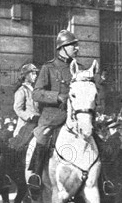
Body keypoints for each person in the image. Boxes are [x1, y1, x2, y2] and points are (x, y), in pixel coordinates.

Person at [27, 30, 81, 191]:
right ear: (63, 48)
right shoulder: (48, 68)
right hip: (53, 117)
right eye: (73, 45)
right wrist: (57, 96)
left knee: (96, 140)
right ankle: (36, 175)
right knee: (42, 138)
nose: (76, 48)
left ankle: (103, 180)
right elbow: (36, 93)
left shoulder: (79, 68)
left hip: (76, 117)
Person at [13, 63, 39, 139]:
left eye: (36, 74)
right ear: (26, 75)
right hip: (25, 126)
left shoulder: (34, 90)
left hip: (37, 124)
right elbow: (17, 109)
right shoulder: (21, 91)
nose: (36, 76)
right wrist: (29, 116)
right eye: (33, 74)